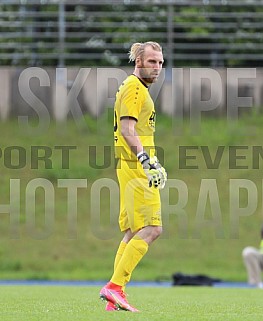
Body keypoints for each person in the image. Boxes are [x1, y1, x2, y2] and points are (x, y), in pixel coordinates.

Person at [99, 41, 167, 312]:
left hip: (132, 166)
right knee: (152, 229)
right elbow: (128, 130)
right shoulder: (134, 87)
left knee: (131, 233)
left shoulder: (136, 87)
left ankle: (115, 296)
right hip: (136, 167)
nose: (158, 67)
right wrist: (146, 161)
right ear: (138, 62)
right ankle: (115, 287)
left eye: (161, 62)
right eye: (152, 61)